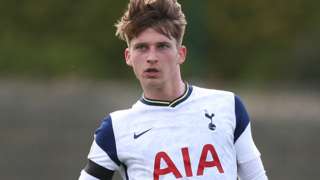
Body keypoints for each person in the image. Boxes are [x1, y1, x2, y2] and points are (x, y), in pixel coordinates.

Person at [79, 0, 268, 179]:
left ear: (181, 54)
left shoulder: (227, 106)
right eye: (142, 47)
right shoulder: (116, 129)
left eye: (162, 46)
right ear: (129, 57)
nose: (152, 57)